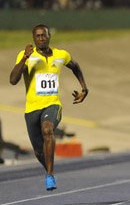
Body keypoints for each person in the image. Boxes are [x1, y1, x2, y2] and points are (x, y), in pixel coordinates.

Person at [9, 24, 88, 191]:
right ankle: (49, 170)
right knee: (39, 151)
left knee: (48, 130)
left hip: (52, 105)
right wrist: (24, 58)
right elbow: (13, 80)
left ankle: (50, 175)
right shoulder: (26, 56)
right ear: (33, 38)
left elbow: (75, 66)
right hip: (31, 109)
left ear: (49, 36)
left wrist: (84, 88)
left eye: (43, 35)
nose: (41, 39)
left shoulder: (61, 55)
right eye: (37, 36)